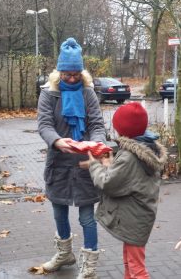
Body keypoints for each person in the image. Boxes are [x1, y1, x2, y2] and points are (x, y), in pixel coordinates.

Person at [37, 37, 106, 278]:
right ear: (59, 72)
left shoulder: (88, 93)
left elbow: (97, 124)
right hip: (59, 164)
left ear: (82, 72)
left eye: (76, 73)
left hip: (86, 164)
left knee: (87, 218)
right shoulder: (48, 94)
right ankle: (65, 254)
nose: (72, 78)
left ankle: (90, 266)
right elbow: (44, 124)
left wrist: (96, 144)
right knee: (59, 213)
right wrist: (56, 141)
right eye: (67, 73)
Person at [80, 102, 167, 278]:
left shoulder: (129, 155)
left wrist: (94, 165)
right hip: (136, 217)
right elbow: (127, 177)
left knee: (137, 268)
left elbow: (108, 183)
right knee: (130, 261)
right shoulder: (144, 148)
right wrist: (109, 164)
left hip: (134, 219)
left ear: (122, 129)